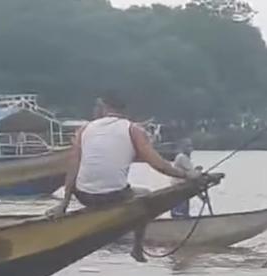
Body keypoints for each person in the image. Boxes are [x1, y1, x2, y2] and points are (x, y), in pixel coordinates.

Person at [49, 92, 196, 262]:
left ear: (104, 107)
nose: (95, 110)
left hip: (83, 196)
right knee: (145, 194)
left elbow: (73, 167)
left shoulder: (84, 130)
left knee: (126, 189)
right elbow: (158, 165)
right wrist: (186, 175)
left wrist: (64, 204)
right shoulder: (134, 130)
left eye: (97, 107)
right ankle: (137, 247)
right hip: (113, 196)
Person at [169, 138, 201, 218]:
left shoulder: (186, 159)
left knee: (184, 213)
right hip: (179, 189)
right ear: (182, 147)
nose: (190, 148)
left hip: (184, 189)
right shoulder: (182, 157)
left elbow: (191, 173)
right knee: (180, 213)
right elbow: (193, 175)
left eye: (190, 146)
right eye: (187, 146)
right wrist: (198, 171)